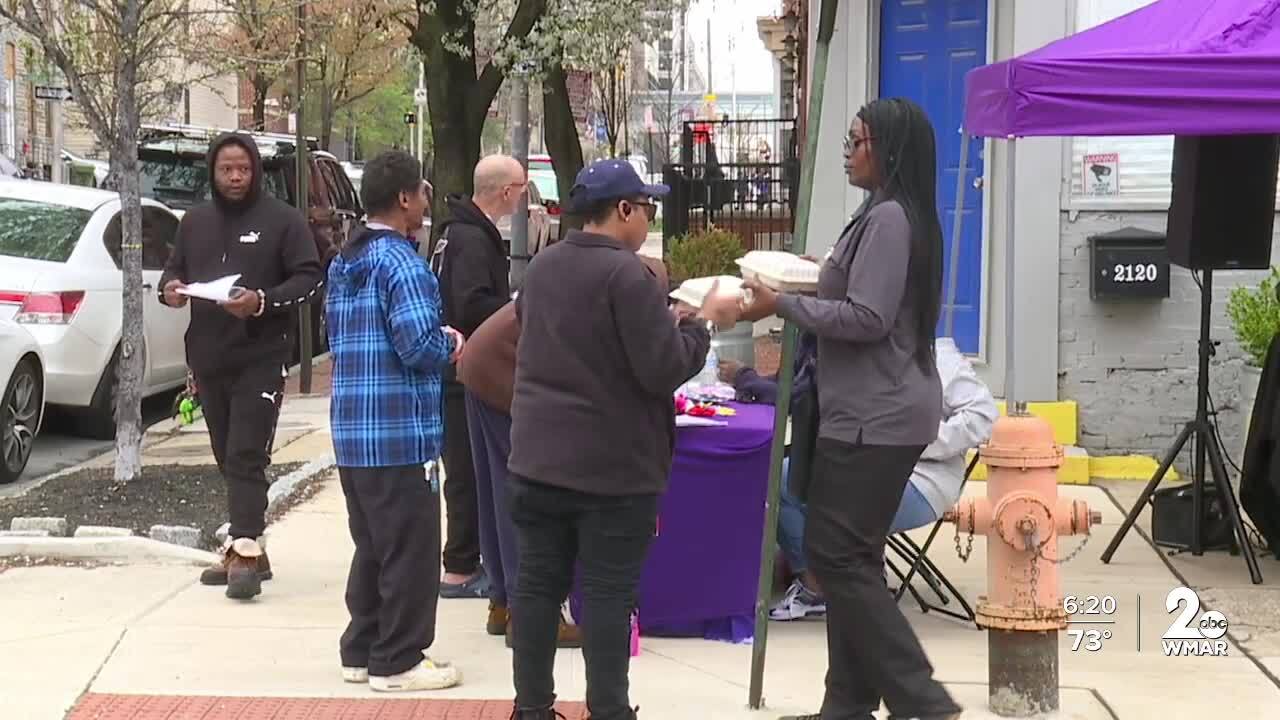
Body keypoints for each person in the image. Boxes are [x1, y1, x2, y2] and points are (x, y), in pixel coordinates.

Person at [739, 97, 963, 720]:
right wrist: (812, 275)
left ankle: (922, 698)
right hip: (867, 411)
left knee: (835, 555)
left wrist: (778, 305)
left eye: (857, 139)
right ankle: (848, 704)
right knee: (852, 559)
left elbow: (867, 318)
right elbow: (861, 291)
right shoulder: (883, 215)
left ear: (886, 151)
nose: (847, 148)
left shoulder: (891, 219)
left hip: (878, 416)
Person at [506, 160, 739, 720]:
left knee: (537, 590)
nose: (650, 218)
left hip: (538, 460)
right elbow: (662, 368)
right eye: (647, 207)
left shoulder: (541, 268)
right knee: (609, 595)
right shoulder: (627, 275)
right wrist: (697, 326)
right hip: (612, 471)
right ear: (624, 211)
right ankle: (609, 709)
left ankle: (531, 708)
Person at [458, 251, 671, 646]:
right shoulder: (619, 289)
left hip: (481, 361)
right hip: (498, 369)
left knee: (493, 492)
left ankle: (502, 601)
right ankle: (529, 616)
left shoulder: (592, 283)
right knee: (515, 492)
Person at [721, 337, 997, 621]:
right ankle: (847, 567)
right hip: (863, 468)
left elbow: (983, 417)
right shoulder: (863, 351)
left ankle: (818, 585)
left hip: (918, 480)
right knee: (783, 472)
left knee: (784, 482)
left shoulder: (939, 357)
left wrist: (913, 441)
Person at [159, 132, 322, 601]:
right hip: (209, 357)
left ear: (255, 172)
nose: (235, 177)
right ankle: (247, 546)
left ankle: (245, 553)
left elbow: (310, 278)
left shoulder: (283, 221)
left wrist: (261, 302)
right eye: (226, 169)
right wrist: (170, 289)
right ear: (213, 172)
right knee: (227, 456)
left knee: (247, 452)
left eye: (243, 169)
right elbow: (174, 271)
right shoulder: (194, 222)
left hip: (262, 355)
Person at [326, 150, 465, 692]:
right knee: (410, 549)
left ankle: (361, 648)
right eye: (423, 194)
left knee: (373, 545)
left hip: (354, 432)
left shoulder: (345, 260)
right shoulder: (403, 263)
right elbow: (416, 345)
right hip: (401, 433)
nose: (427, 204)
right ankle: (399, 659)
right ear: (405, 198)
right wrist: (450, 342)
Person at [430, 154, 528, 599]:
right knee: (468, 469)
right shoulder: (471, 239)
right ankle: (460, 565)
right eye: (522, 189)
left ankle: (467, 559)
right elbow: (470, 304)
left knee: (467, 466)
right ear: (506, 191)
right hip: (463, 367)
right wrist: (515, 309)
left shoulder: (458, 233)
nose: (524, 198)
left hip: (457, 364)